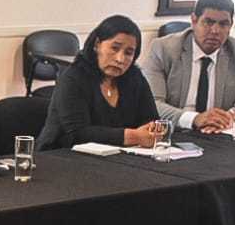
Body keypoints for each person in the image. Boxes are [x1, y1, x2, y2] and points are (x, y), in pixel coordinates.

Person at [141, 0, 235, 132]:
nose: (215, 30)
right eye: (208, 22)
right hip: (175, 131)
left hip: (218, 133)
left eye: (223, 24)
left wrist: (234, 116)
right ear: (194, 20)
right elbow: (150, 105)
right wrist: (195, 119)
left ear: (231, 26)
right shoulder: (163, 49)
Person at [37, 14, 164, 150]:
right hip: (61, 154)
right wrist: (134, 136)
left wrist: (152, 131)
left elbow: (152, 119)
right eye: (115, 48)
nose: (120, 59)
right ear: (97, 44)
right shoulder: (73, 77)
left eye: (128, 53)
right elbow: (78, 133)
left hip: (118, 155)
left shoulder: (135, 77)